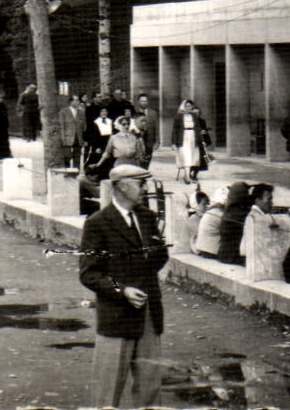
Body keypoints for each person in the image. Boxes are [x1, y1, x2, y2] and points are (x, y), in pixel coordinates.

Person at [79, 164, 169, 408]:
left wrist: (159, 245)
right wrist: (123, 290)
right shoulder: (98, 223)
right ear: (122, 186)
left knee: (150, 388)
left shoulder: (147, 218)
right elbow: (89, 273)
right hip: (117, 316)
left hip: (148, 313)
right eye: (140, 184)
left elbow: (157, 261)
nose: (144, 189)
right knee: (108, 390)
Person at [92, 115, 146, 181]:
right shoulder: (114, 138)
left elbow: (137, 155)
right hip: (120, 164)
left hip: (132, 164)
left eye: (128, 124)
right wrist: (99, 164)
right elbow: (107, 153)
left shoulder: (133, 137)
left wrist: (139, 168)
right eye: (124, 124)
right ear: (119, 126)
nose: (126, 126)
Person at [214, 181, 256, 265]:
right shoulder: (238, 213)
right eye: (246, 192)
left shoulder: (230, 211)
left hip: (224, 255)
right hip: (231, 257)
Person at [173, 100, 211, 185]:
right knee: (186, 155)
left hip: (193, 137)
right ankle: (187, 176)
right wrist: (174, 143)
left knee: (193, 157)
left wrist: (201, 140)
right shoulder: (179, 117)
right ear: (184, 107)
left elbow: (197, 128)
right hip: (183, 137)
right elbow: (175, 129)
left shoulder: (194, 116)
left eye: (190, 106)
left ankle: (190, 175)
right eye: (187, 106)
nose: (188, 108)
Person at [57, 93, 86, 169]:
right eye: (76, 100)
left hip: (78, 137)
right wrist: (63, 138)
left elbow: (84, 126)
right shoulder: (63, 112)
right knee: (67, 155)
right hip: (68, 137)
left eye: (78, 100)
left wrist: (83, 138)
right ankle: (67, 170)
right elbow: (62, 126)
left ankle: (75, 171)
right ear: (71, 102)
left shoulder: (81, 113)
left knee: (77, 156)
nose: (78, 102)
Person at [191, 190, 223, 259]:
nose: (207, 207)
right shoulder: (194, 219)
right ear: (196, 205)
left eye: (208, 204)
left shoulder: (205, 217)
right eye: (204, 204)